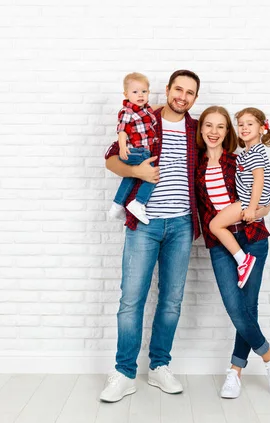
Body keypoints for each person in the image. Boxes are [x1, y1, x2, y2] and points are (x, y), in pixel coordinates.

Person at [100, 69, 201, 403]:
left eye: (190, 93)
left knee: (171, 301)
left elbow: (221, 163)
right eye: (178, 89)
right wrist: (136, 171)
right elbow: (111, 159)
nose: (182, 96)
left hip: (182, 225)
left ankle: (159, 366)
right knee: (131, 300)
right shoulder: (146, 116)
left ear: (194, 98)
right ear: (168, 90)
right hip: (143, 224)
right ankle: (125, 373)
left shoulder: (196, 129)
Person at [195, 105, 270, 398]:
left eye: (221, 127)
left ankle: (235, 371)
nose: (213, 132)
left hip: (253, 237)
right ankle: (269, 356)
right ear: (201, 130)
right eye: (208, 125)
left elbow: (264, 189)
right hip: (222, 245)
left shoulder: (239, 159)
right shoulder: (194, 166)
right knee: (235, 308)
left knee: (248, 307)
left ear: (227, 132)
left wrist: (265, 207)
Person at [208, 107, 270, 289]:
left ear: (262, 128)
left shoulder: (255, 153)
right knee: (216, 225)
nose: (244, 128)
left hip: (248, 203)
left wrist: (252, 208)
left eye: (250, 124)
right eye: (241, 124)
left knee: (214, 225)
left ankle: (243, 260)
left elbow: (259, 181)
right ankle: (243, 260)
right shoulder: (246, 153)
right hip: (250, 201)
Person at [107, 72, 158, 225]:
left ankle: (117, 205)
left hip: (142, 151)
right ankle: (139, 202)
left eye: (144, 91)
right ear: (126, 94)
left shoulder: (145, 110)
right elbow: (122, 130)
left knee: (130, 177)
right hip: (136, 151)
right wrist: (122, 147)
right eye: (135, 92)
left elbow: (153, 112)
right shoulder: (128, 111)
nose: (140, 95)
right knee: (152, 173)